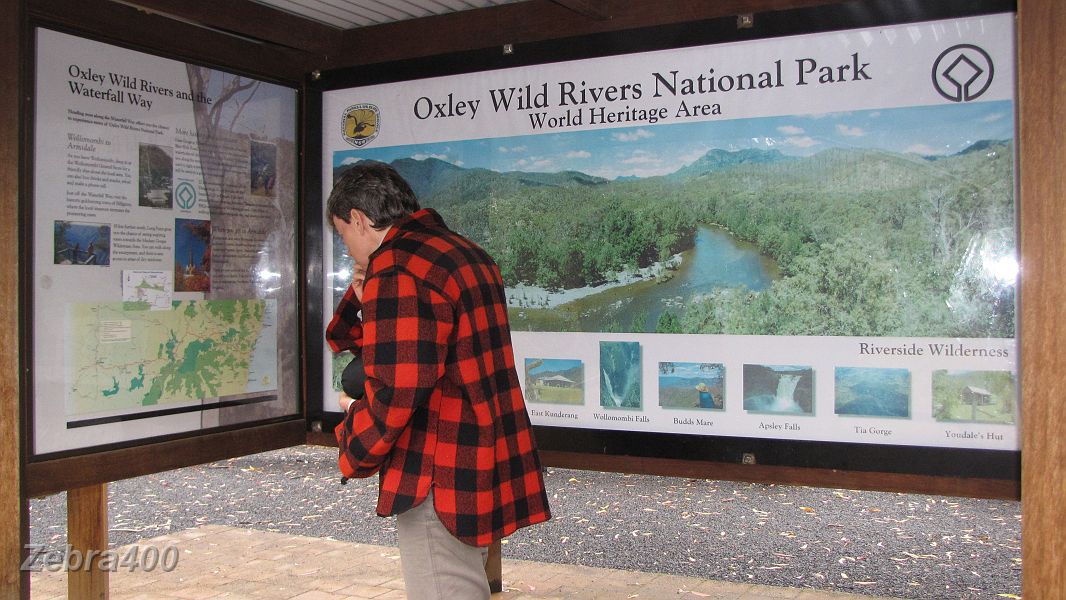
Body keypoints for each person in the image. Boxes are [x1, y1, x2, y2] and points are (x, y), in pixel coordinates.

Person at [325, 162, 551, 599]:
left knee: (445, 588)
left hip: (436, 465)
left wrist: (353, 432)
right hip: (480, 453)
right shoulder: (465, 253)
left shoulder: (398, 267)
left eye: (342, 235)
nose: (348, 248)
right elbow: (372, 344)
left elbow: (397, 389)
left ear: (357, 218)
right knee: (466, 579)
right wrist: (362, 296)